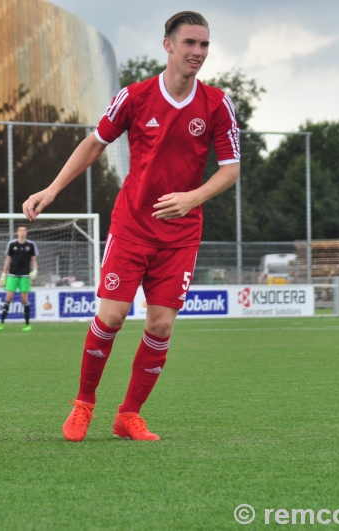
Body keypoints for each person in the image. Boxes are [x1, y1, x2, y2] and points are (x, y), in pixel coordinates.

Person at [22, 11, 240, 441]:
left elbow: (231, 169)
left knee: (160, 325)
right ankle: (84, 404)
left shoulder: (216, 103)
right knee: (113, 315)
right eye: (190, 43)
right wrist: (51, 190)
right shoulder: (135, 97)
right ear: (168, 46)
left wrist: (192, 198)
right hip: (132, 228)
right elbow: (94, 144)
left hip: (180, 236)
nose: (197, 52)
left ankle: (129, 415)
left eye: (204, 45)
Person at [0, 225, 38, 331]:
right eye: (20, 230)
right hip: (12, 275)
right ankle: (1, 323)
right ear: (17, 232)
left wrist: (35, 270)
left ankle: (27, 324)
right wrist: (3, 274)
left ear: (26, 232)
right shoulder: (12, 244)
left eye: (24, 230)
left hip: (25, 276)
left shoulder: (31, 245)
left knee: (24, 299)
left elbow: (34, 260)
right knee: (8, 298)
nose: (22, 232)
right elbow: (8, 259)